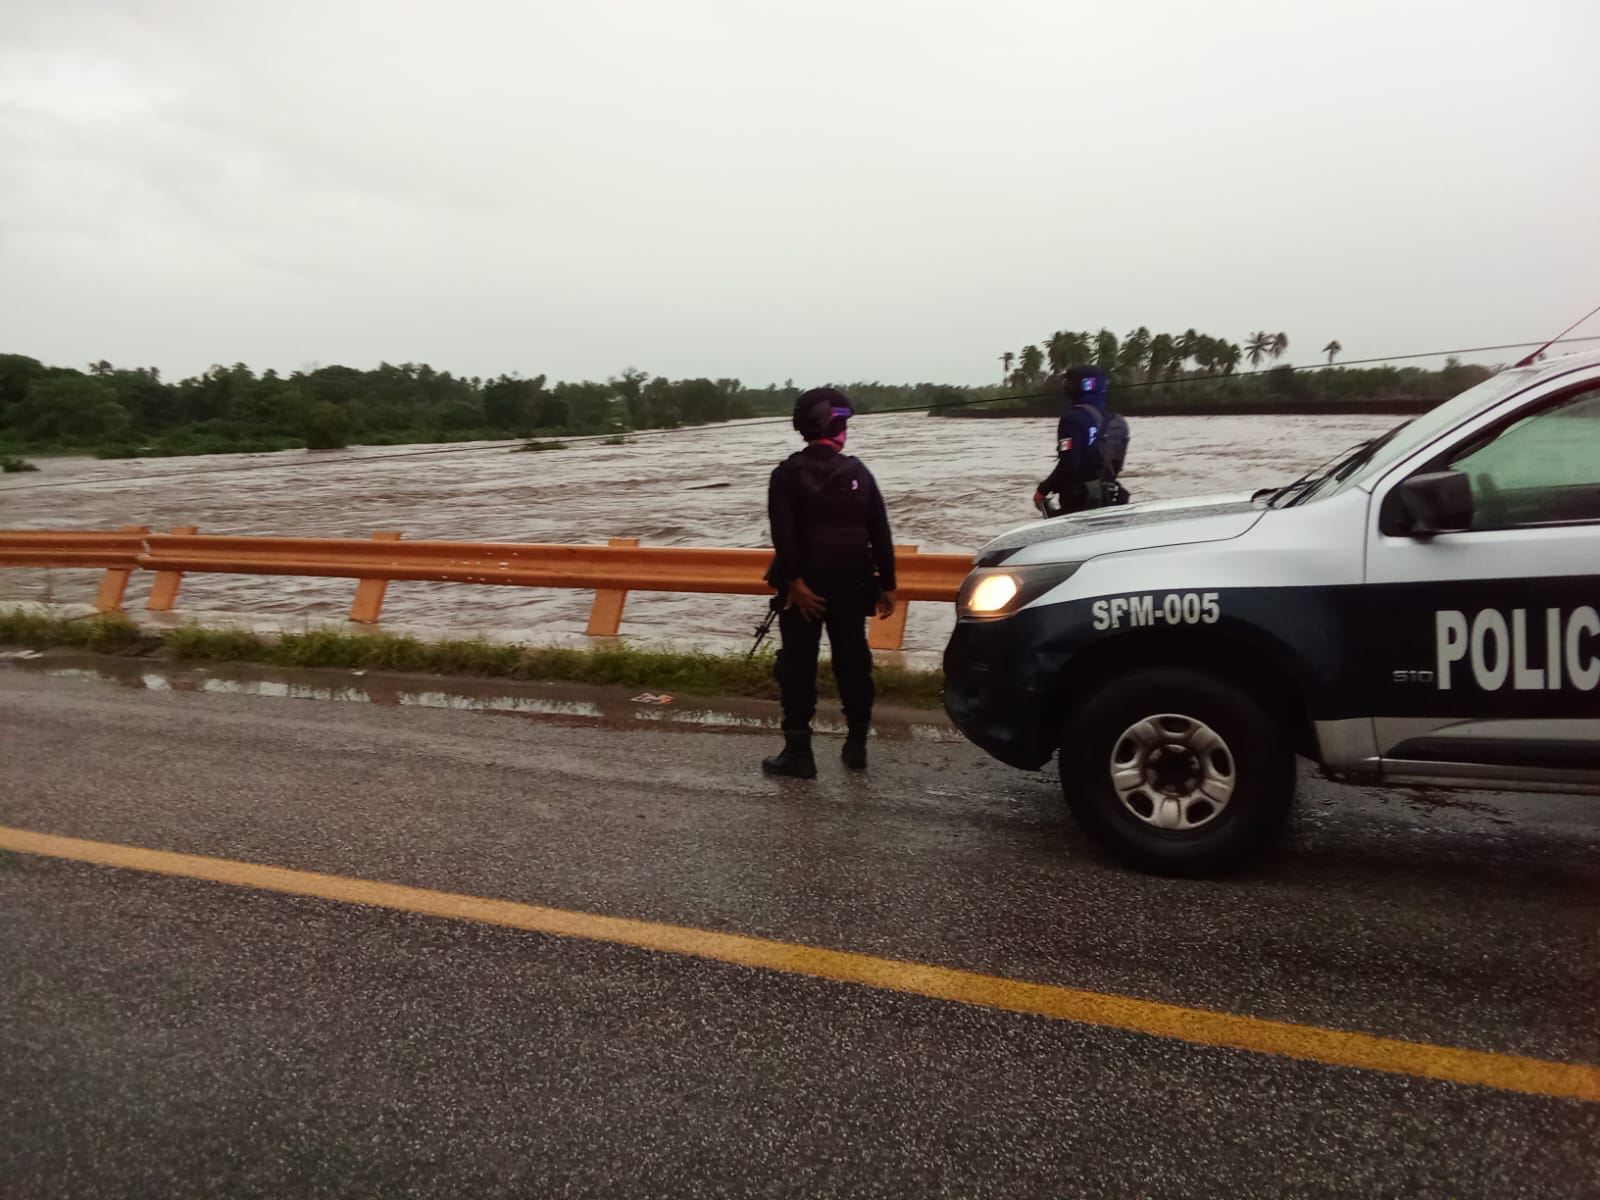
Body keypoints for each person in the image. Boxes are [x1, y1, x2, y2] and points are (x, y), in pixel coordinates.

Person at [761, 387, 897, 778]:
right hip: (852, 587)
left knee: (797, 667)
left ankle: (799, 754)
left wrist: (796, 585)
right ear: (834, 426)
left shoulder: (785, 474)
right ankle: (856, 747)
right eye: (844, 424)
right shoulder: (859, 473)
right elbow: (881, 533)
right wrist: (888, 584)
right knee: (853, 664)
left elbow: (783, 536)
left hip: (803, 593)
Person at [1032, 365, 1128, 515]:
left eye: (1068, 383)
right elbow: (1117, 465)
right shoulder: (1119, 421)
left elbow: (1068, 463)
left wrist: (1042, 490)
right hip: (1111, 498)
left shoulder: (1072, 419)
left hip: (1079, 500)